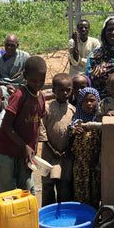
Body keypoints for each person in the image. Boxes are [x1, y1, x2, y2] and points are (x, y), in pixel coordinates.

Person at [0, 56, 47, 194]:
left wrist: (32, 149)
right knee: (7, 192)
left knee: (27, 191)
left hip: (25, 154)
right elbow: (6, 125)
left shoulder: (40, 97)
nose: (38, 84)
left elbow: (36, 126)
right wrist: (24, 146)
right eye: (34, 80)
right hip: (7, 151)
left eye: (41, 80)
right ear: (25, 76)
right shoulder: (19, 95)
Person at [41, 74, 75, 206]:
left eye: (68, 90)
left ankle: (63, 213)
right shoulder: (47, 108)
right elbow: (42, 129)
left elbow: (73, 133)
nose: (65, 93)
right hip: (49, 153)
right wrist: (51, 149)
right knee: (48, 183)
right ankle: (47, 212)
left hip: (66, 154)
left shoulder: (73, 110)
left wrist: (67, 149)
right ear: (54, 91)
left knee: (64, 183)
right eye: (61, 90)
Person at [69, 87, 101, 208]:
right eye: (85, 101)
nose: (89, 103)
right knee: (81, 192)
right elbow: (69, 136)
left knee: (96, 192)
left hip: (95, 163)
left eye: (92, 100)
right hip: (81, 165)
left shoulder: (100, 119)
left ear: (97, 101)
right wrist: (74, 131)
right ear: (80, 102)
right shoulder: (76, 120)